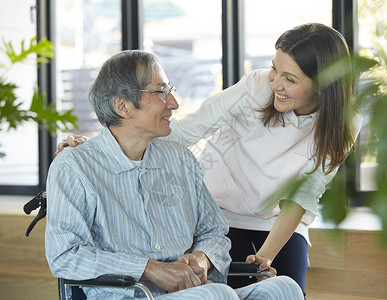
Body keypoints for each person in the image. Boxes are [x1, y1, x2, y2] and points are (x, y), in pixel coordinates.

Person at [57, 23, 362, 296]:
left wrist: (264, 258)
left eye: (289, 79)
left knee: (285, 289)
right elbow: (192, 127)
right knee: (220, 292)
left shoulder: (344, 122)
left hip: (276, 219)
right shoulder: (257, 87)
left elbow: (303, 195)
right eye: (274, 69)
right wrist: (103, 144)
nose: (274, 83)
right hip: (222, 210)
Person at [45, 49, 304, 300]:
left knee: (282, 289)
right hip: (130, 296)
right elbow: (65, 255)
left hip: (196, 293)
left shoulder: (179, 159)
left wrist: (202, 257)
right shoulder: (74, 167)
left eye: (170, 90)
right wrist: (149, 268)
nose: (174, 103)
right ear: (122, 106)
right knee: (216, 295)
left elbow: (213, 231)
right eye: (160, 92)